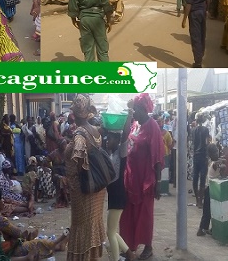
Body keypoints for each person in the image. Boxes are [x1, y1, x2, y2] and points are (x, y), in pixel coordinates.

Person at [120, 94, 164, 260]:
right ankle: (129, 244)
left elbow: (158, 157)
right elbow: (125, 139)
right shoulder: (135, 124)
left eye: (135, 110)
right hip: (131, 177)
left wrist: (158, 182)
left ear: (142, 109)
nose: (134, 113)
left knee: (145, 213)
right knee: (129, 212)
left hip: (145, 179)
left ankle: (148, 246)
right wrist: (129, 115)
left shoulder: (153, 127)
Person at [65, 94, 106, 261]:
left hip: (83, 188)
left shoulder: (79, 134)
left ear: (74, 113)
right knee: (92, 223)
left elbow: (79, 158)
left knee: (82, 225)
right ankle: (92, 258)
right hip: (97, 186)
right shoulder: (95, 131)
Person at [0, 187, 69, 258]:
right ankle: (57, 244)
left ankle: (56, 245)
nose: (3, 201)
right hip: (7, 250)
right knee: (36, 243)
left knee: (33, 241)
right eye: (1, 199)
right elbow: (17, 233)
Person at [106, 128, 135, 261]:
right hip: (114, 196)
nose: (107, 141)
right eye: (107, 138)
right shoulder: (110, 154)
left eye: (111, 139)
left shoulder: (121, 153)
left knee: (110, 232)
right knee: (112, 231)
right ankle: (129, 253)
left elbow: (124, 137)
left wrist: (129, 115)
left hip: (118, 196)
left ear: (118, 141)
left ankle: (116, 259)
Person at [181, 0, 210, 68]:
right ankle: (201, 55)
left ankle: (198, 62)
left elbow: (189, 2)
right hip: (203, 10)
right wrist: (207, 10)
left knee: (195, 37)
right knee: (202, 35)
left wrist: (184, 19)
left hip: (194, 13)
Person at [197, 144, 226, 236]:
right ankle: (201, 229)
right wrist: (223, 163)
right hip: (210, 189)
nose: (216, 154)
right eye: (214, 153)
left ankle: (208, 228)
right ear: (210, 154)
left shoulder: (211, 161)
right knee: (208, 211)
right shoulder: (214, 164)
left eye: (217, 151)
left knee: (211, 210)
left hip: (211, 188)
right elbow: (222, 168)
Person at [192, 112, 211, 208]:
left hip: (195, 156)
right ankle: (200, 200)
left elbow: (192, 143)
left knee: (195, 178)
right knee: (202, 179)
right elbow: (207, 142)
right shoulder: (205, 130)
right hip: (203, 155)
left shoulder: (193, 130)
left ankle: (197, 199)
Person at [47, 138, 69, 208]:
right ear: (60, 145)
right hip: (56, 174)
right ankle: (62, 199)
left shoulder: (67, 153)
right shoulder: (54, 153)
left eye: (65, 144)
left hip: (66, 173)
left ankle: (68, 198)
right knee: (61, 179)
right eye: (64, 144)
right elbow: (46, 161)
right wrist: (51, 168)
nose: (65, 146)